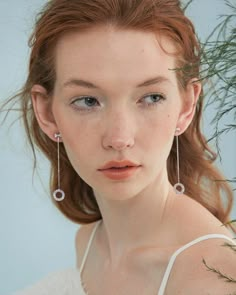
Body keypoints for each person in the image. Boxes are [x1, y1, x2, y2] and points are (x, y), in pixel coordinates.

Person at [5, 0, 236, 294]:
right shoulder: (88, 242)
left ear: (186, 105)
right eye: (88, 101)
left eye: (151, 98)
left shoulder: (215, 274)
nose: (119, 138)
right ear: (47, 113)